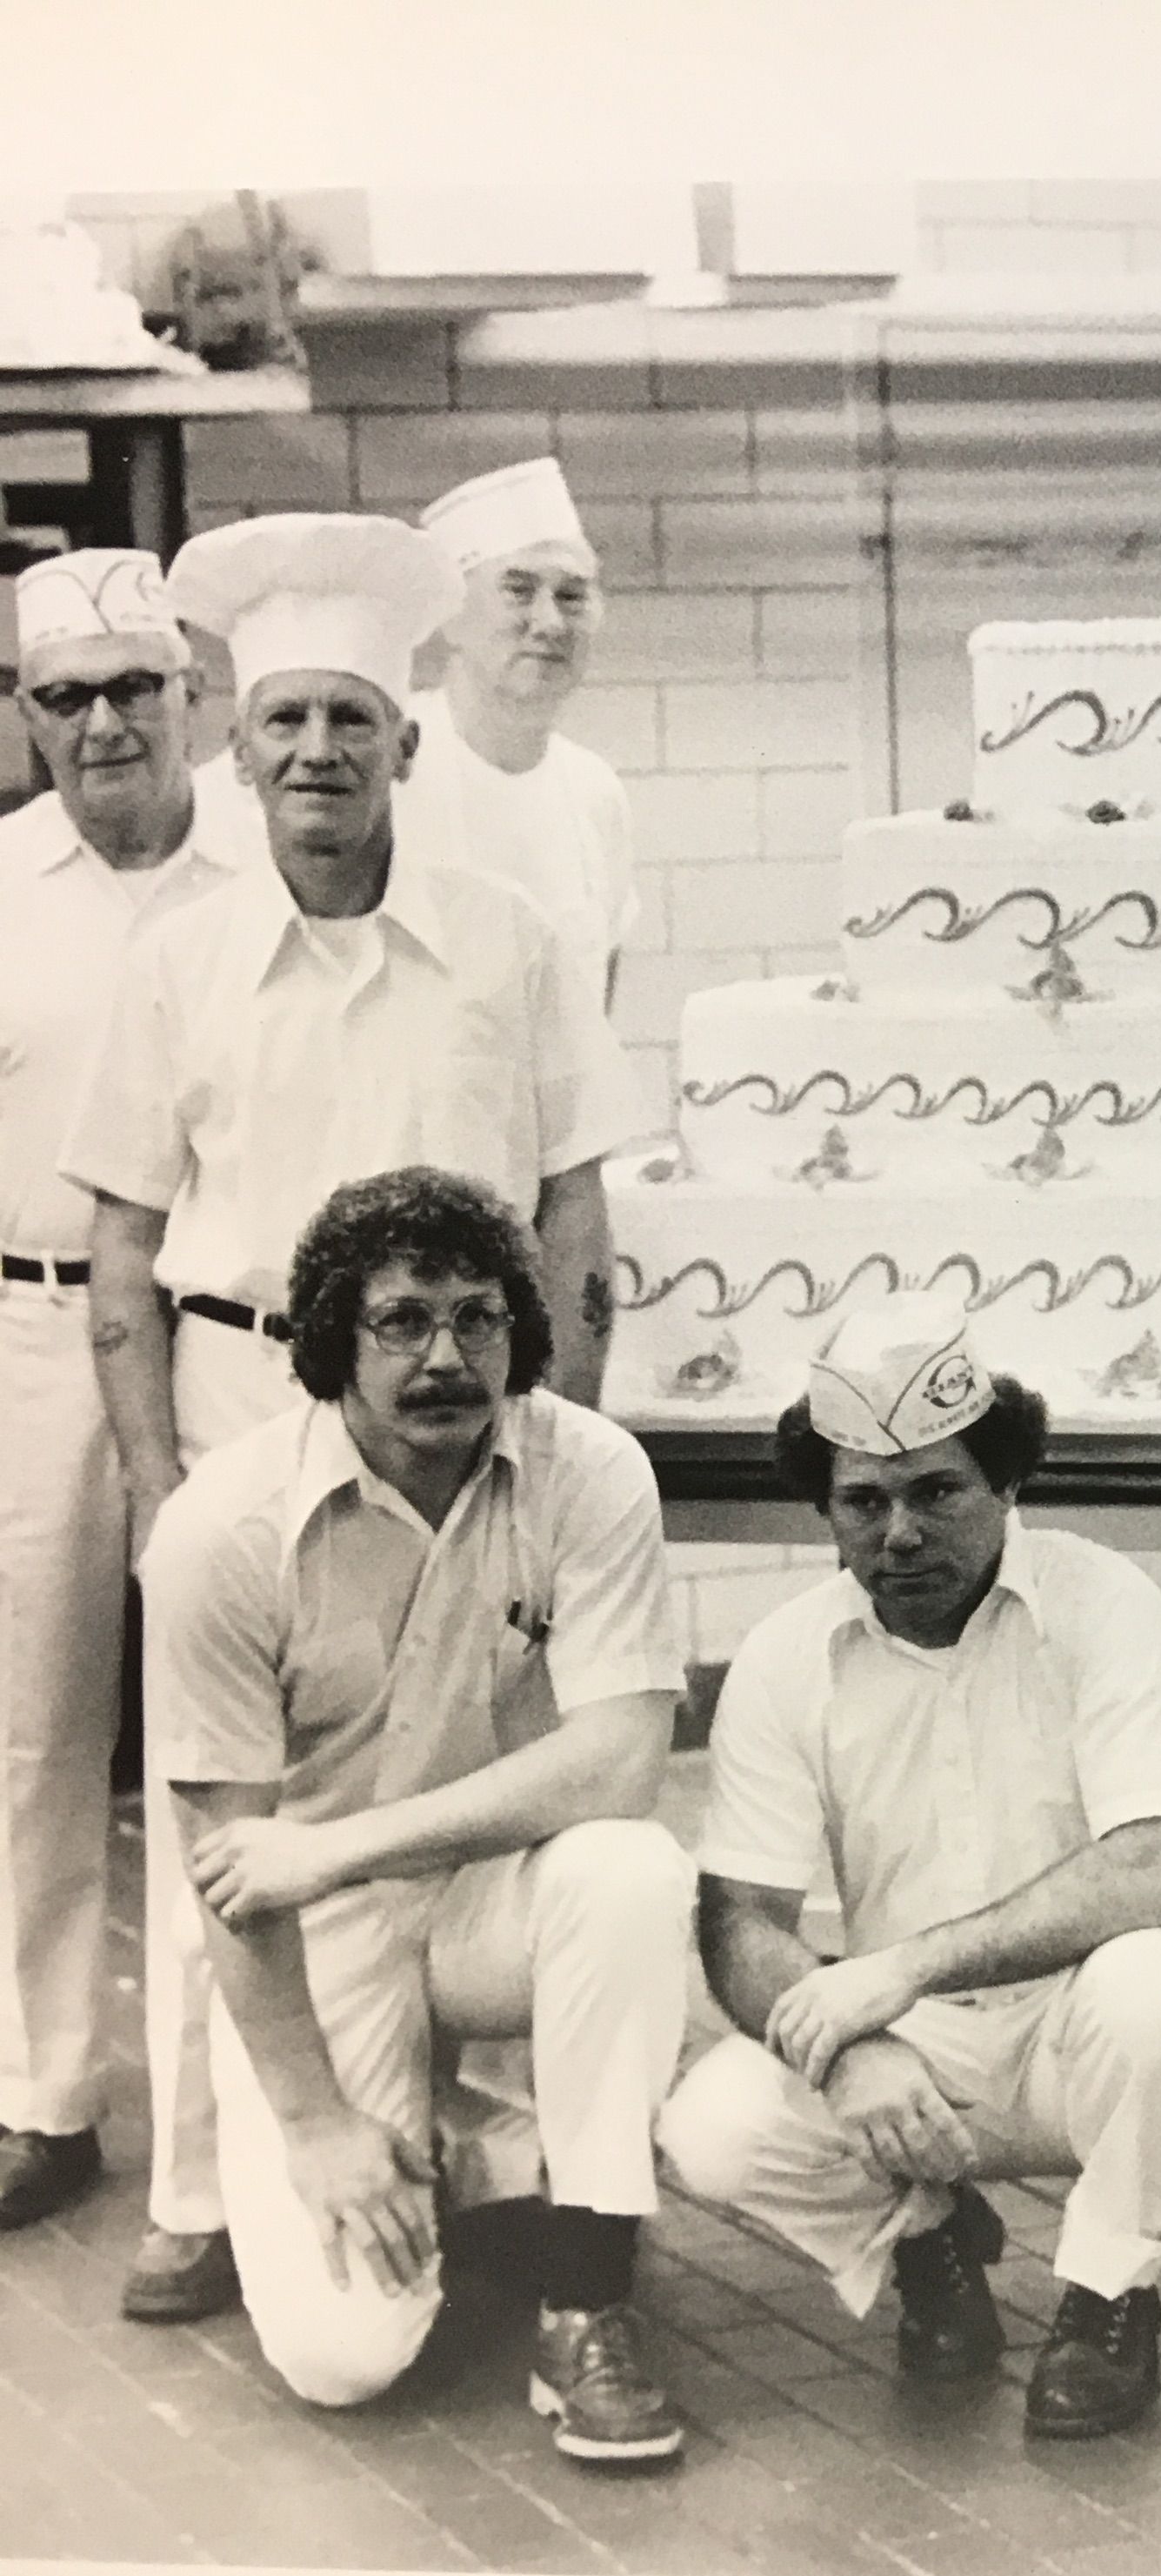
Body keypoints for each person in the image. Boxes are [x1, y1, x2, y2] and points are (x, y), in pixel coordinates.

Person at [63, 512, 644, 2325]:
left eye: (349, 720)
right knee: (223, 1798)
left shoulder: (513, 938)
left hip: (477, 1421)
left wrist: (562, 1453)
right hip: (250, 1399)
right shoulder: (177, 961)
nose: (316, 753)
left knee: (480, 1767)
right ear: (239, 754)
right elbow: (123, 1251)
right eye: (284, 723)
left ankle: (504, 2162)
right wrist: (166, 1485)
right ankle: (200, 2193)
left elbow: (572, 1217)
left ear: (404, 738)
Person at [139, 1168, 691, 2452]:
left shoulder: (590, 1469)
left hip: (482, 1889)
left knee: (631, 1871)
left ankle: (587, 2292)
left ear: (522, 1329)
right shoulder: (221, 1527)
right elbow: (233, 1872)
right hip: (310, 1926)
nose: (445, 1356)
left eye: (479, 1318)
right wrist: (317, 2124)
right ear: (333, 1334)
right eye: (401, 1321)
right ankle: (423, 2146)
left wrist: (336, 1844)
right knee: (347, 2361)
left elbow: (618, 1762)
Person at [657, 1299, 1161, 2439]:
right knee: (712, 2126)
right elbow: (740, 1927)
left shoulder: (1104, 1602)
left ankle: (1111, 2299)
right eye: (865, 1503)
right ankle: (928, 2239)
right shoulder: (786, 1658)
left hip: (1087, 2031)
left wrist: (900, 1971)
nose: (903, 1533)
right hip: (915, 2052)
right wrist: (858, 2054)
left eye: (938, 1492)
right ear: (826, 1513)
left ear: (1007, 1485)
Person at [0, 552, 250, 2242]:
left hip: (218, 1334)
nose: (104, 726)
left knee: (227, 1741)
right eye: (66, 698)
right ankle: (42, 2094)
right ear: (25, 718)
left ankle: (226, 2137)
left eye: (135, 690)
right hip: (24, 1342)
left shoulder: (266, 867)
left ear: (191, 697)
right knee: (32, 1727)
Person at [406, 457, 638, 1007]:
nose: (550, 622)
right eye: (519, 590)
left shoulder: (594, 790)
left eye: (572, 596)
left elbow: (596, 1013)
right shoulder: (393, 767)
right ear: (450, 614)